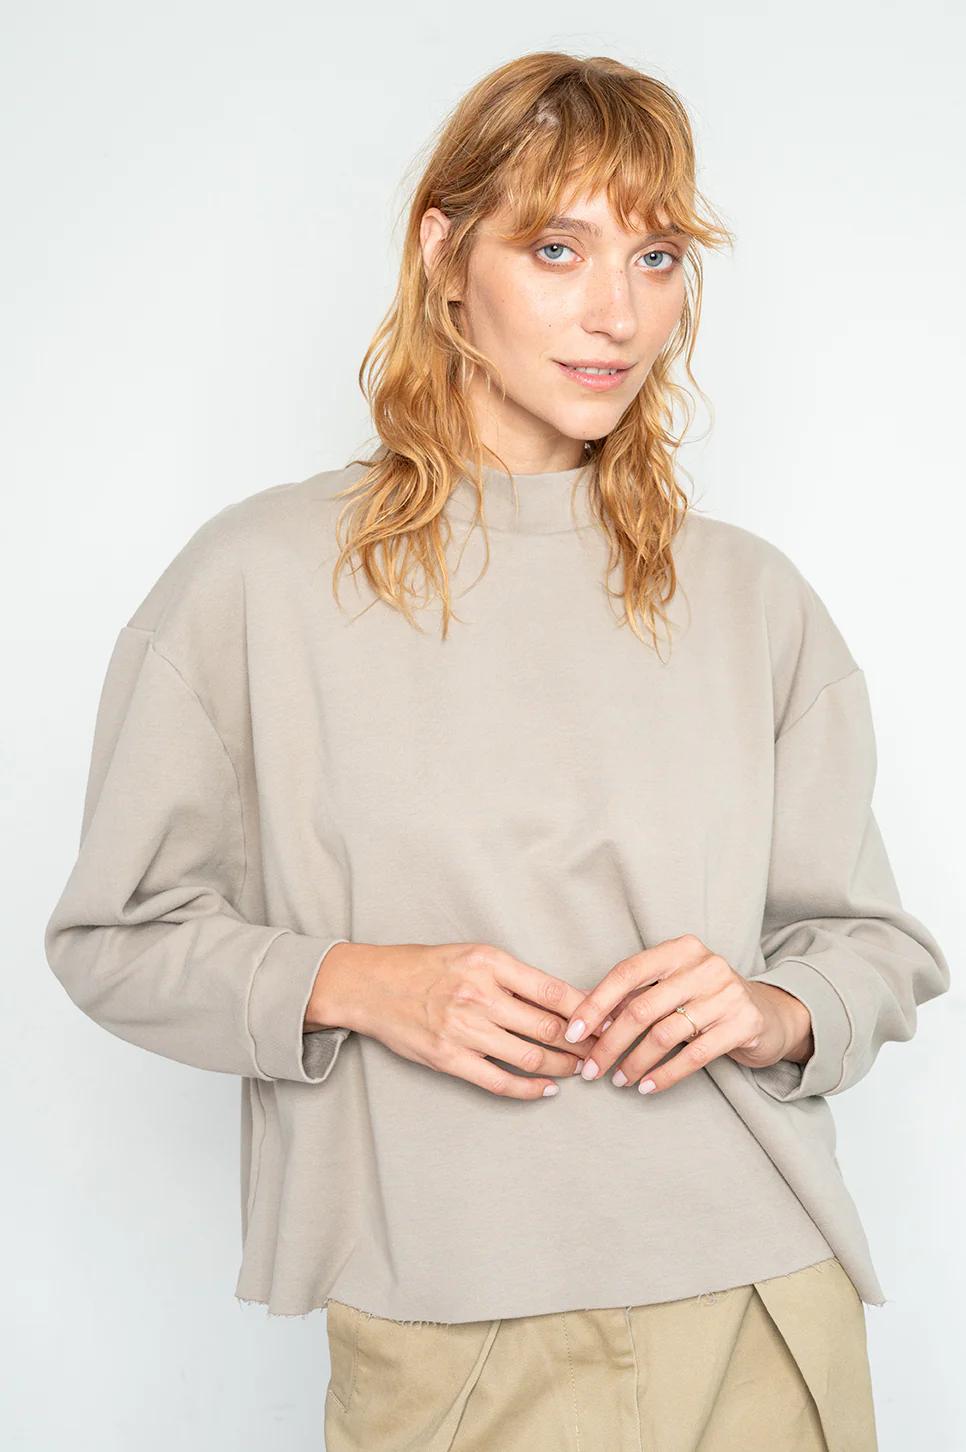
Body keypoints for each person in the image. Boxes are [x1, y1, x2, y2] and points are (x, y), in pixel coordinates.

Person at [44, 51, 950, 1452]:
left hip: (764, 1299)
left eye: (656, 257)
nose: (618, 313)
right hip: (451, 1328)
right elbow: (114, 937)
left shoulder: (750, 597)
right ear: (444, 255)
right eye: (556, 248)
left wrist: (773, 1011)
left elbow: (871, 945)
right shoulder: (260, 581)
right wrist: (360, 982)